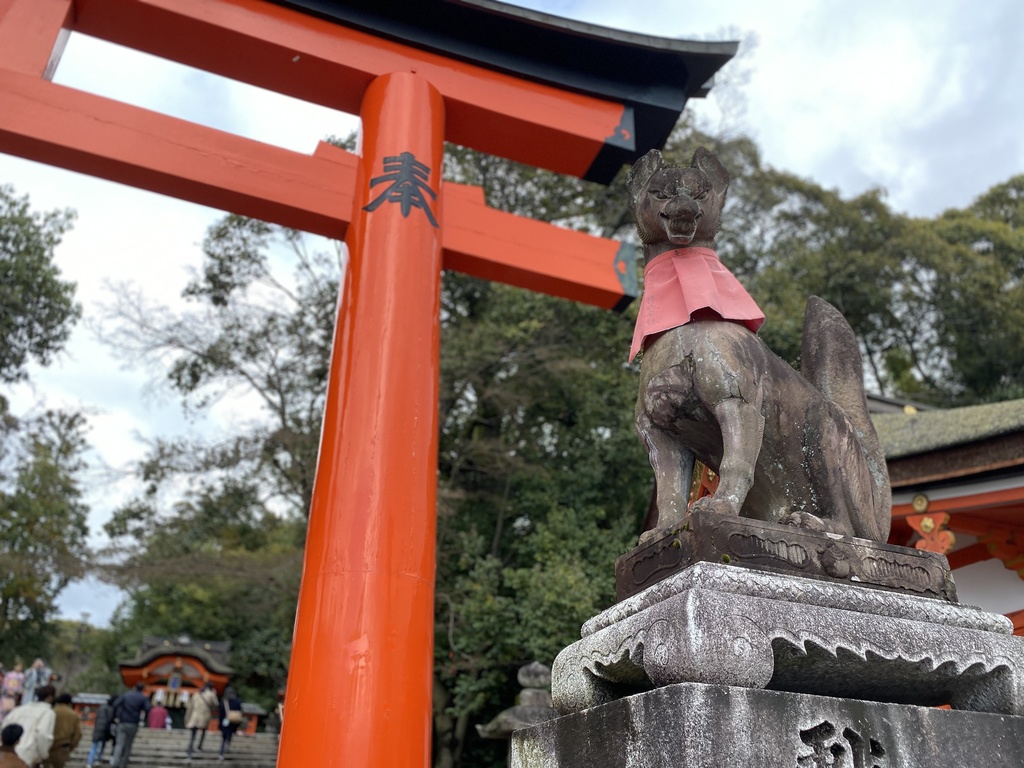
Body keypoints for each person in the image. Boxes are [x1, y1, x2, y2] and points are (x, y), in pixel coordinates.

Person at [3, 685, 56, 767]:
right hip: (28, 754)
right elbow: (43, 734)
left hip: (8, 752)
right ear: (50, 697)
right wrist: (43, 754)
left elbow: (5, 726)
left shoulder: (19, 709)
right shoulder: (47, 713)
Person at [109, 683, 149, 768]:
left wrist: (116, 716)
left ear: (134, 687)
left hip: (123, 722)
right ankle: (124, 764)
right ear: (142, 689)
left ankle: (115, 763)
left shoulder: (126, 695)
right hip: (133, 723)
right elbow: (148, 708)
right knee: (128, 745)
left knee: (119, 744)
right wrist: (143, 719)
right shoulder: (143, 698)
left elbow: (115, 704)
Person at [43, 694, 80, 768]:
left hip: (48, 746)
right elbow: (78, 734)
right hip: (63, 746)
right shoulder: (73, 714)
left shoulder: (51, 711)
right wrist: (71, 746)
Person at [183, 683, 218, 760]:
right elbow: (215, 705)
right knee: (203, 732)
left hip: (194, 717)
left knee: (193, 735)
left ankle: (190, 749)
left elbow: (190, 707)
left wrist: (187, 719)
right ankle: (199, 746)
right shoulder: (211, 695)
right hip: (204, 716)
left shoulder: (196, 695)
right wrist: (214, 694)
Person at [85, 696, 115, 768]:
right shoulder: (110, 709)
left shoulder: (101, 708)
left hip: (97, 729)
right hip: (105, 730)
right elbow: (110, 720)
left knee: (94, 746)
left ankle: (90, 761)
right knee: (102, 745)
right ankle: (98, 759)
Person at [216, 687, 242, 762]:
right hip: (233, 722)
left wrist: (220, 724)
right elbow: (239, 712)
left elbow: (220, 713)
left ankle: (221, 753)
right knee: (229, 735)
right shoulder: (237, 701)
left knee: (223, 738)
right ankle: (227, 747)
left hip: (225, 722)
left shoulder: (224, 701)